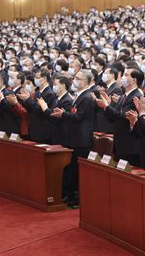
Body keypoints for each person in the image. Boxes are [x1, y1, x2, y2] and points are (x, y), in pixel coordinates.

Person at [50, 70, 94, 208]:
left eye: (78, 79)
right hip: (74, 138)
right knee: (72, 169)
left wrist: (63, 114)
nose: (75, 80)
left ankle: (77, 199)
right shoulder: (79, 95)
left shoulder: (86, 97)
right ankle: (70, 196)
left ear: (85, 82)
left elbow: (78, 117)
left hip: (82, 140)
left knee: (78, 170)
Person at [95, 67, 144, 166]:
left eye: (126, 75)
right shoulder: (123, 97)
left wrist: (107, 106)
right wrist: (106, 108)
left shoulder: (136, 96)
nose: (122, 78)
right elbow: (112, 119)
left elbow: (124, 118)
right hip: (120, 142)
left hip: (129, 144)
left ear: (134, 80)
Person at [18, 69, 57, 143]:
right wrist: (25, 100)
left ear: (44, 78)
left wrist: (28, 99)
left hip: (42, 130)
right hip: (34, 128)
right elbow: (31, 109)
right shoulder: (38, 92)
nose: (35, 79)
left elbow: (40, 111)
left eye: (37, 77)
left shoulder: (49, 93)